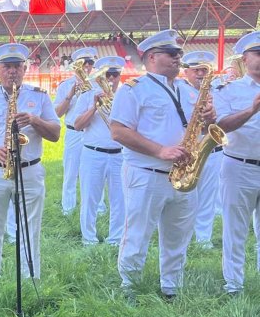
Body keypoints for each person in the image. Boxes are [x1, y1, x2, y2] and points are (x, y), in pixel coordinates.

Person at [109, 29, 212, 301]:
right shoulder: (134, 89)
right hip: (147, 173)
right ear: (152, 57)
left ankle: (172, 287)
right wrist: (160, 150)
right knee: (138, 234)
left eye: (180, 53)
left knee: (178, 236)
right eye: (173, 54)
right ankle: (129, 288)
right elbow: (118, 131)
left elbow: (199, 130)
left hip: (184, 175)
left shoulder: (187, 90)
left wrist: (209, 120)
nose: (179, 58)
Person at [0, 43, 60, 279]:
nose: (12, 71)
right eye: (7, 67)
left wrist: (35, 120)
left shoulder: (39, 96)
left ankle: (31, 278)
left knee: (30, 228)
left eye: (17, 66)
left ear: (25, 69)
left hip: (29, 170)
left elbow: (55, 134)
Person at [215, 31, 260, 294]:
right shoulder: (229, 89)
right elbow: (220, 126)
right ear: (245, 58)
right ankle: (234, 284)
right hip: (238, 165)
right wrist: (251, 110)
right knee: (236, 229)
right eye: (258, 53)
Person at [73, 56, 126, 246]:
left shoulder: (126, 95)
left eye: (114, 75)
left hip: (119, 154)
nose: (111, 79)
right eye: (107, 75)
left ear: (120, 75)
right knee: (89, 198)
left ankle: (116, 238)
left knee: (120, 199)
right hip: (92, 153)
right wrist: (94, 108)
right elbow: (77, 125)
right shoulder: (88, 95)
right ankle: (88, 238)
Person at [181, 51, 222, 248]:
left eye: (204, 71)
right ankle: (184, 237)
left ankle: (203, 239)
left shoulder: (218, 92)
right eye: (196, 70)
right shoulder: (178, 91)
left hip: (212, 152)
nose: (200, 74)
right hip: (189, 152)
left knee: (208, 197)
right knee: (187, 198)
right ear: (186, 72)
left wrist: (211, 117)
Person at [53, 46, 97, 215]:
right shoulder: (66, 86)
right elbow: (57, 113)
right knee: (71, 172)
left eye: (90, 63)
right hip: (73, 133)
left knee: (94, 174)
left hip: (92, 132)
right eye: (83, 63)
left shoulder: (97, 83)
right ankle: (68, 208)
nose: (87, 66)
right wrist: (70, 95)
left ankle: (96, 209)